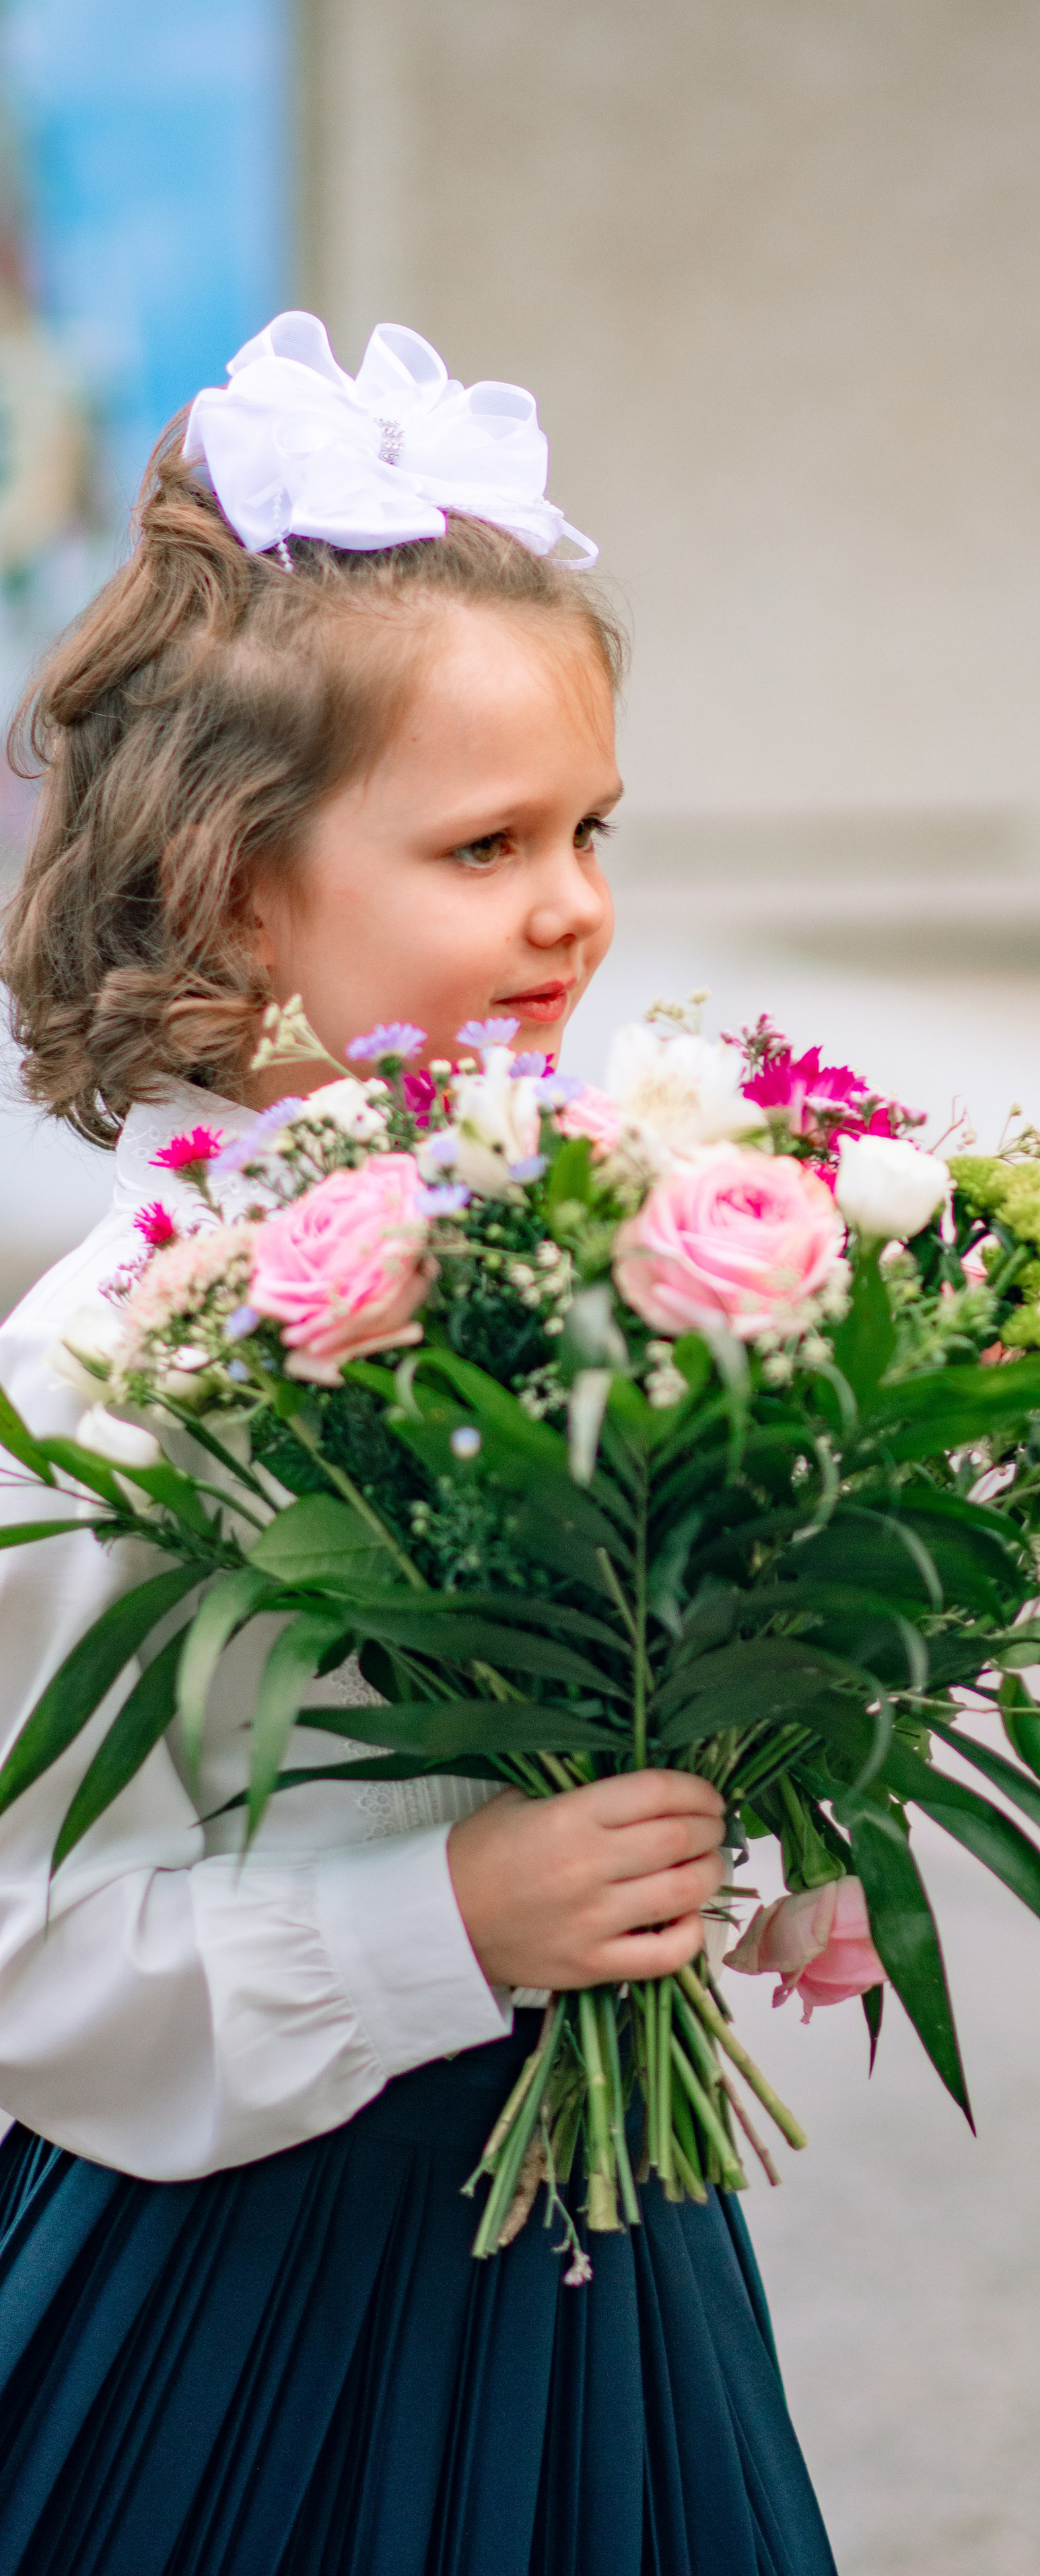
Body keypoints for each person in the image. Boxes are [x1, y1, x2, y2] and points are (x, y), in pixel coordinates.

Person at [0, 313, 838, 2576]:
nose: (570, 902)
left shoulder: (598, 1250)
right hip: (253, 2293)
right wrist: (437, 1924)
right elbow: (20, 1947)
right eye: (482, 844)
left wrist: (805, 1767)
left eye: (589, 828)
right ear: (231, 889)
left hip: (603, 2253)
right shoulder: (116, 1374)